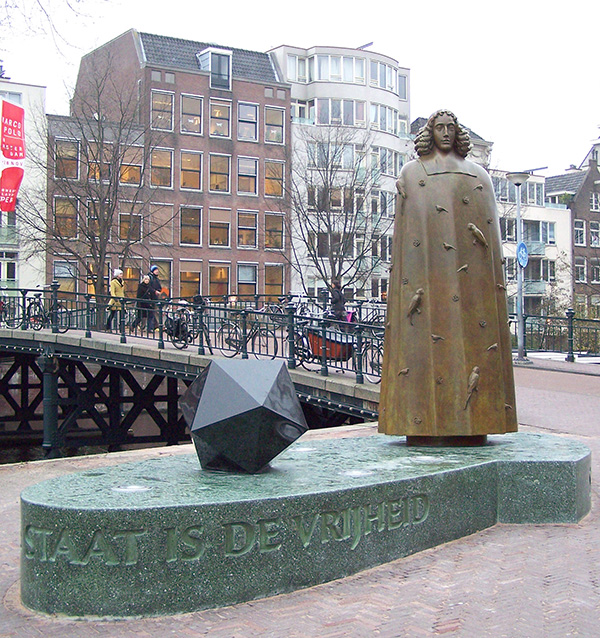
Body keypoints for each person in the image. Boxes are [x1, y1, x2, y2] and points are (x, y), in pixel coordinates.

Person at [378, 109, 517, 442]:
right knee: (424, 344)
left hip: (470, 284)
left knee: (471, 345)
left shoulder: (477, 175)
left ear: (457, 133)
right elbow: (408, 234)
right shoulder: (413, 173)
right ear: (430, 132)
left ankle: (476, 421)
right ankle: (420, 421)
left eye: (449, 128)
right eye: (438, 127)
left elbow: (487, 238)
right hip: (425, 276)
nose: (444, 133)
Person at [147, 265, 162, 331]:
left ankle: (154, 326)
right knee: (150, 313)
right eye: (156, 270)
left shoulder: (156, 279)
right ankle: (151, 327)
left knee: (152, 312)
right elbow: (149, 287)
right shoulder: (150, 278)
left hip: (155, 298)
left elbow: (159, 287)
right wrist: (154, 291)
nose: (157, 271)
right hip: (150, 298)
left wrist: (159, 291)